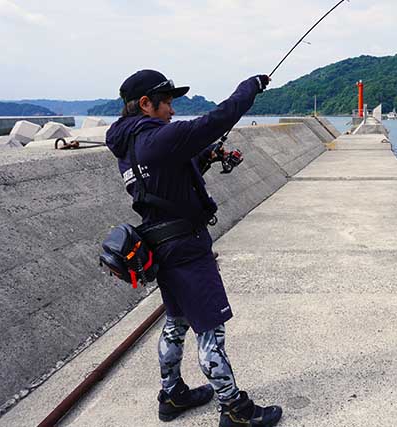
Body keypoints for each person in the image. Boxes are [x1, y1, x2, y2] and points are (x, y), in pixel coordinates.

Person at [106, 70, 282, 427]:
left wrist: (208, 158)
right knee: (211, 330)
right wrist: (250, 87)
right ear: (145, 104)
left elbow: (163, 180)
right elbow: (216, 119)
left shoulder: (130, 144)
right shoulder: (157, 138)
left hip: (161, 244)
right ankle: (236, 410)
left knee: (176, 322)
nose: (172, 110)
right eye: (167, 102)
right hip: (186, 247)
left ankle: (172, 394)